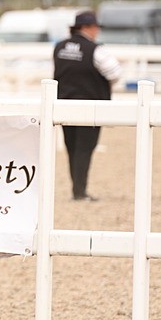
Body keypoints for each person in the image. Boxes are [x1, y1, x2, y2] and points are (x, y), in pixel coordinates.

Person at [53, 10, 122, 201]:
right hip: (90, 106)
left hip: (64, 105)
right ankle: (80, 192)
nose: (97, 30)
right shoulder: (96, 50)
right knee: (85, 148)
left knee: (72, 147)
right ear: (87, 27)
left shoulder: (59, 47)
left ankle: (77, 189)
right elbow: (115, 73)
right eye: (95, 27)